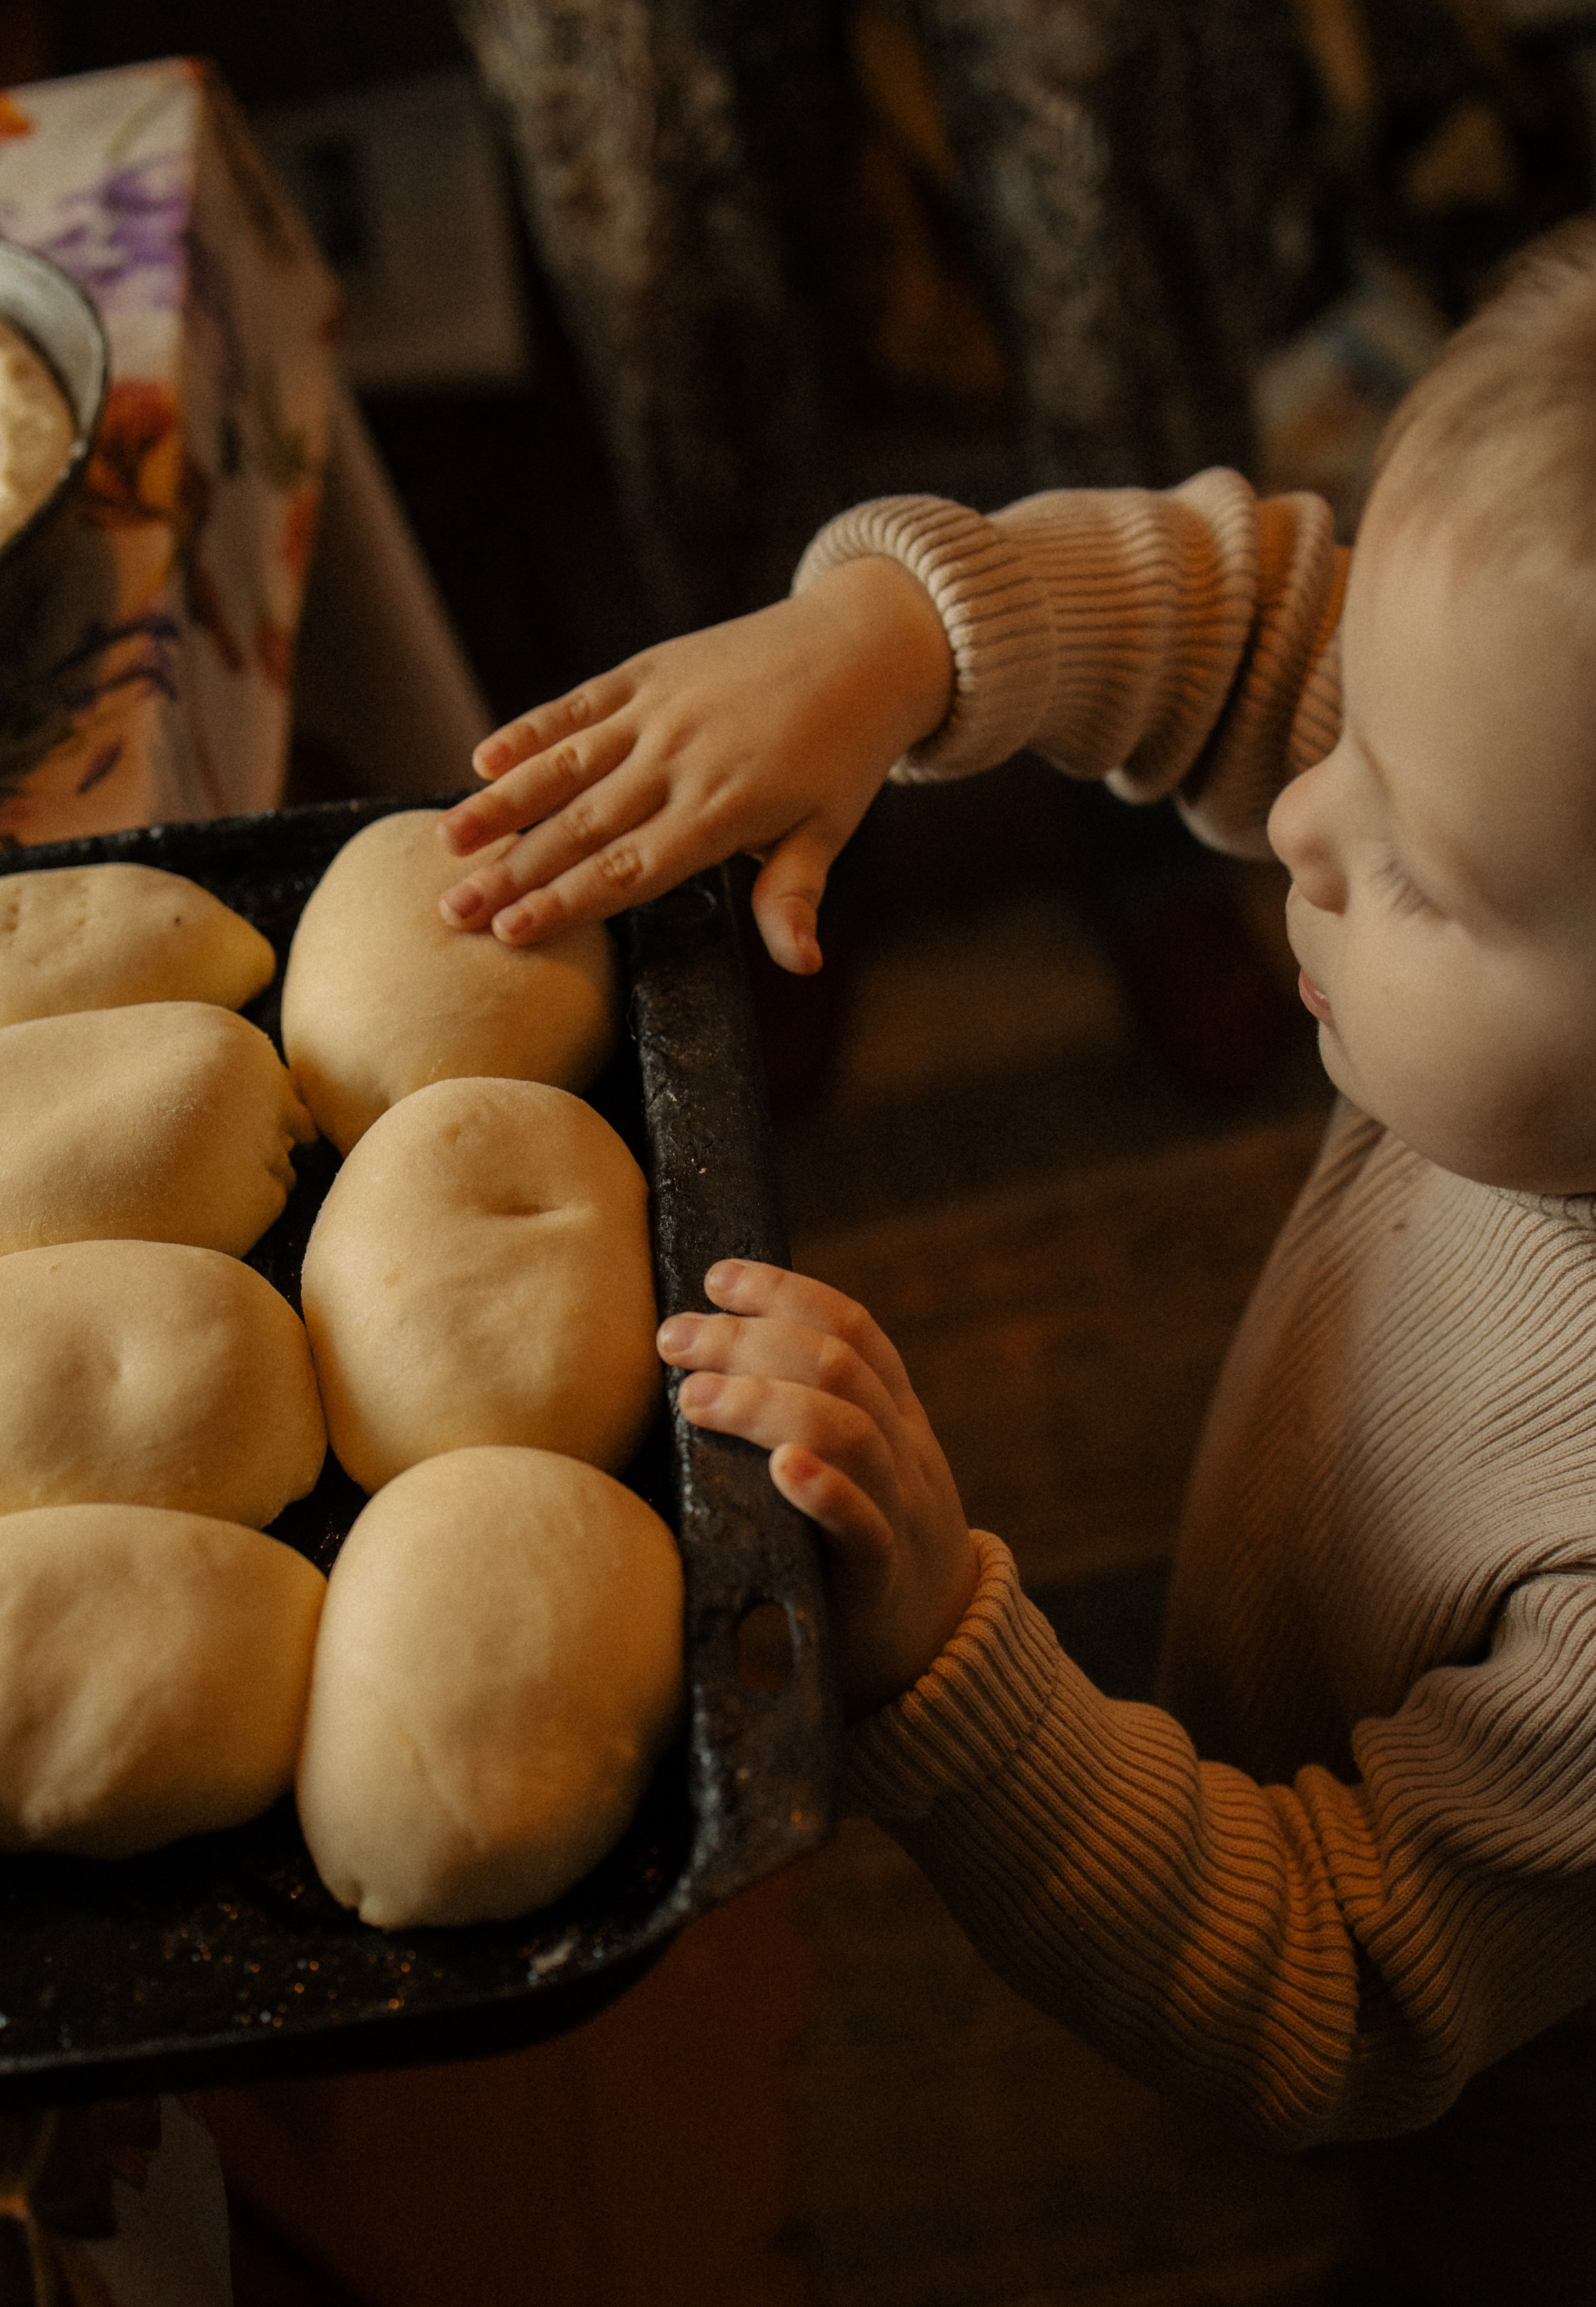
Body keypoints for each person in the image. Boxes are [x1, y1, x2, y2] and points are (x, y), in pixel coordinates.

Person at [435, 222, 1596, 2293]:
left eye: (1417, 864)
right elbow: (1253, 622)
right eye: (1355, 749)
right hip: (1333, 1634)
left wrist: (957, 1648)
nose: (1303, 821)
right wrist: (896, 639)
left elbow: (1332, 1979)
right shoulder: (1515, 743)